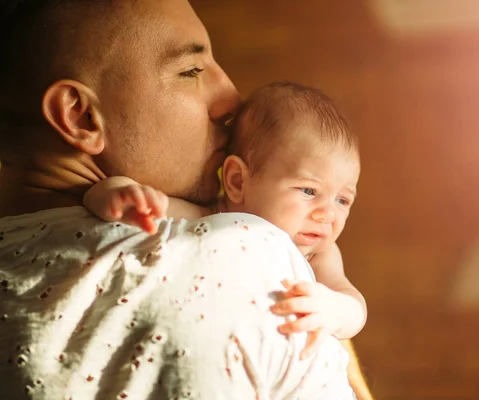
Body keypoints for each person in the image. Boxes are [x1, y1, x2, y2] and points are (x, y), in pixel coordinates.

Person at [0, 0, 372, 398]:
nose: (232, 97)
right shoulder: (244, 249)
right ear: (81, 116)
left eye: (343, 200)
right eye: (190, 71)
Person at [83, 81, 367, 356]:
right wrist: (118, 194)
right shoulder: (211, 218)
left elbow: (355, 306)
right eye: (309, 190)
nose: (328, 214)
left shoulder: (319, 255)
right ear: (237, 181)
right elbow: (140, 208)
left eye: (343, 200)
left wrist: (334, 310)